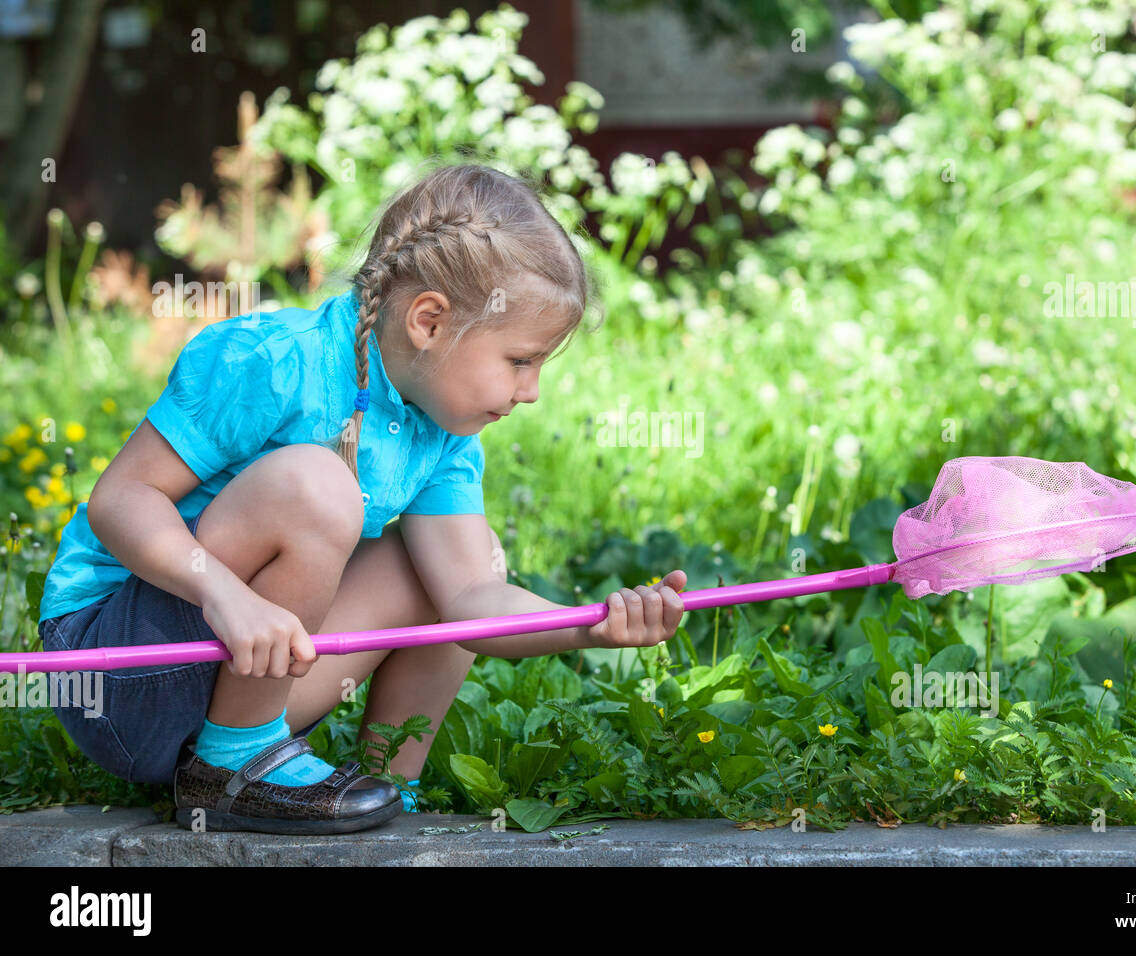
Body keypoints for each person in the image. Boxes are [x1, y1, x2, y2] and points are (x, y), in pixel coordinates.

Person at [36, 162, 688, 835]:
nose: (531, 392)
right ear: (429, 322)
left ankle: (383, 789)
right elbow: (122, 498)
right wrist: (224, 595)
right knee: (319, 488)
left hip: (235, 682)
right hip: (118, 674)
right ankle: (235, 766)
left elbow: (471, 602)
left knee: (465, 562)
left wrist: (591, 625)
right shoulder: (272, 359)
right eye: (520, 361)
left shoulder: (443, 431)